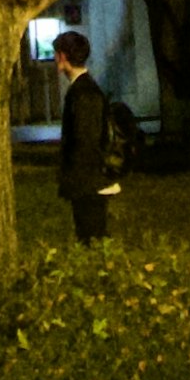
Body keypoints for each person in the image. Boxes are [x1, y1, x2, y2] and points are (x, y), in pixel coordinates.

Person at [51, 27, 130, 244]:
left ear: (62, 56)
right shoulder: (86, 90)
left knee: (91, 237)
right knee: (92, 237)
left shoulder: (83, 94)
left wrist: (76, 178)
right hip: (91, 180)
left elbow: (86, 140)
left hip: (90, 182)